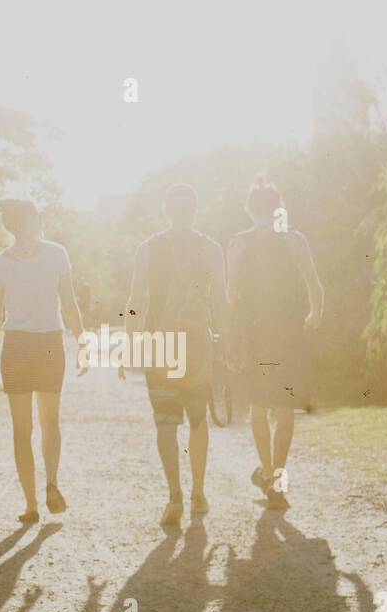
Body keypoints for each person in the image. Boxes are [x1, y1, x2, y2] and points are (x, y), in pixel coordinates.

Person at [124, 184, 226, 528]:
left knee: (166, 424)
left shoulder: (148, 249)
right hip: (197, 343)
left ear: (166, 210)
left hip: (161, 345)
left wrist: (129, 345)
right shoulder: (210, 248)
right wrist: (225, 344)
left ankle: (174, 496)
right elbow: (222, 301)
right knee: (198, 421)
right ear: (195, 210)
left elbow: (136, 300)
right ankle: (198, 492)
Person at [0, 199, 86, 522]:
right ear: (28, 220)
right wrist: (82, 341)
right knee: (49, 422)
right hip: (50, 343)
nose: (41, 220)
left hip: (16, 347)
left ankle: (30, 505)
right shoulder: (57, 254)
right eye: (37, 215)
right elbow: (69, 303)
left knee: (21, 430)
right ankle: (51, 483)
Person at [226, 177, 323, 511]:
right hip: (289, 334)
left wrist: (233, 337)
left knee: (258, 408)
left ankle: (268, 473)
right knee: (284, 409)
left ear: (249, 208)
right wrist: (314, 316)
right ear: (279, 207)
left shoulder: (238, 243)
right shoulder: (294, 240)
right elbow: (314, 284)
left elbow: (230, 297)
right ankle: (276, 481)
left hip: (256, 334)